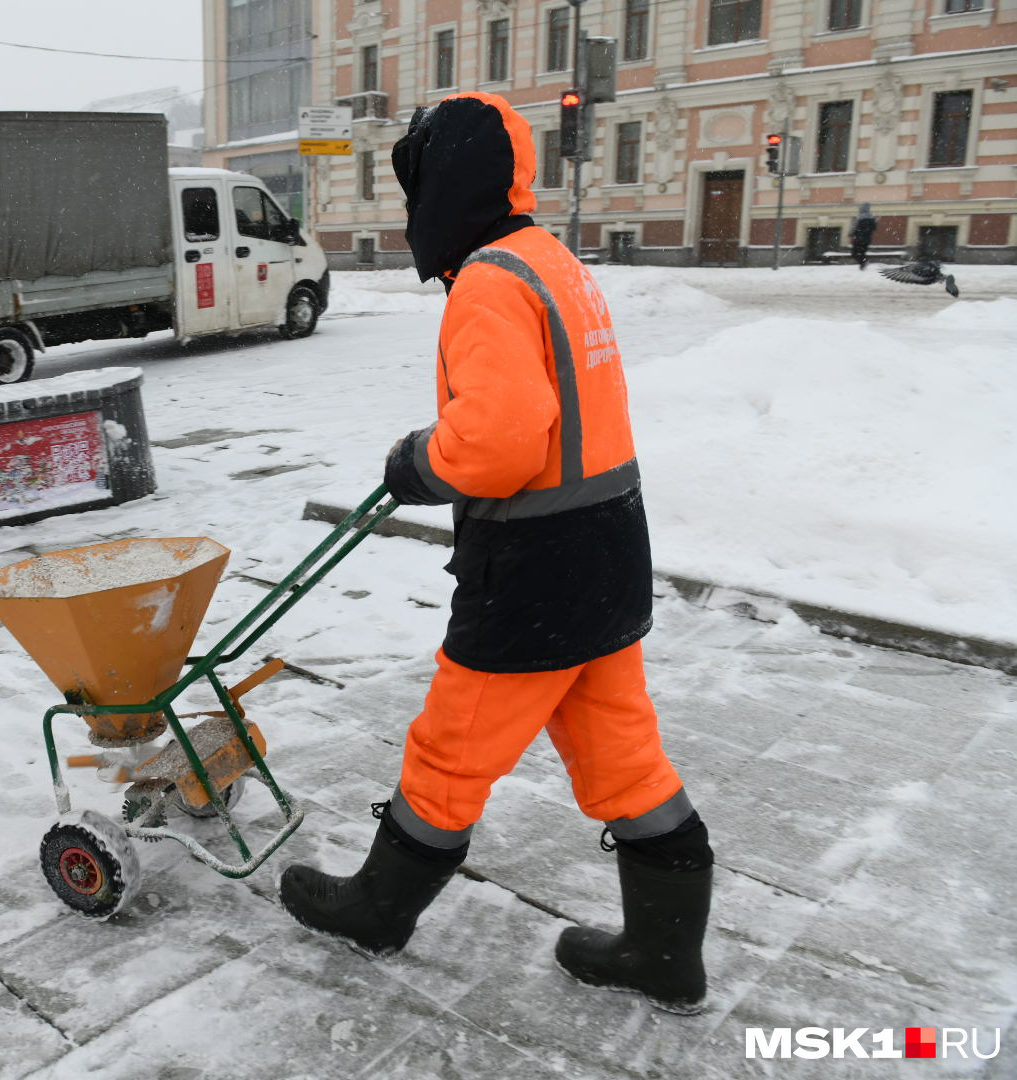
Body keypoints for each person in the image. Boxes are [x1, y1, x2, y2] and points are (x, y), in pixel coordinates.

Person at [279, 92, 714, 1016]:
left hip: (535, 568)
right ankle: (665, 956)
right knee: (624, 756)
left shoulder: (488, 280)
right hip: (608, 544)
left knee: (451, 750)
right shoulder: (551, 260)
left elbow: (503, 441)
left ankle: (376, 911)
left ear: (447, 185)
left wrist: (418, 461)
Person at [850, 203, 878, 270]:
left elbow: (854, 227)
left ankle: (863, 263)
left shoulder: (859, 217)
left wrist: (851, 233)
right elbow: (874, 228)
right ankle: (863, 264)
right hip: (867, 239)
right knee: (862, 252)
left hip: (859, 238)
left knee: (854, 253)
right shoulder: (871, 217)